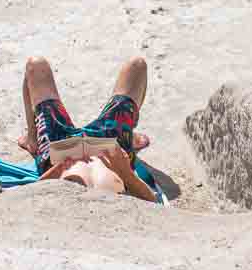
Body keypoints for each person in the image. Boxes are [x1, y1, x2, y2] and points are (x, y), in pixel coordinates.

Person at [17, 56, 159, 203]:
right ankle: (129, 136)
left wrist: (58, 169)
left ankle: (32, 139)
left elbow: (32, 194)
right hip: (110, 146)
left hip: (62, 149)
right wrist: (126, 173)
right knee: (137, 66)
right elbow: (153, 202)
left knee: (36, 65)